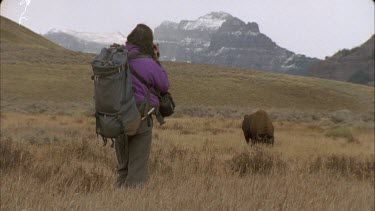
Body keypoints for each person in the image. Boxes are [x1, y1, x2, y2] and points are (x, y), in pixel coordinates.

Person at [114, 24, 170, 188]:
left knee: (122, 169)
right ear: (148, 42)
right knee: (137, 172)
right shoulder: (148, 63)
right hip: (140, 117)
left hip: (117, 118)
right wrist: (156, 59)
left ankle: (116, 202)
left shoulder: (117, 57)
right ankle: (132, 203)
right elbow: (164, 85)